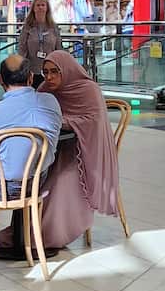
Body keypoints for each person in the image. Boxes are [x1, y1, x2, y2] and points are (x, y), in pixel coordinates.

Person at [35, 50, 121, 249]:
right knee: (33, 181)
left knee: (58, 183)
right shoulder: (44, 90)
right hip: (55, 151)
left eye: (55, 72)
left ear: (66, 70)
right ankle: (28, 233)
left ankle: (50, 236)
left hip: (84, 152)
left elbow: (93, 120)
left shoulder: (88, 89)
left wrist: (61, 121)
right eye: (45, 72)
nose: (49, 77)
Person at [0, 54, 61, 198]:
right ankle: (24, 221)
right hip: (38, 184)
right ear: (31, 77)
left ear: (0, 79)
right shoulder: (51, 102)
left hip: (2, 189)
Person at [17, 0, 61, 81]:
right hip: (32, 71)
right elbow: (22, 48)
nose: (40, 7)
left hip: (50, 71)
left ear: (47, 8)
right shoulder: (27, 27)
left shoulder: (53, 27)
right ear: (33, 8)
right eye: (38, 5)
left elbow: (58, 47)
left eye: (43, 5)